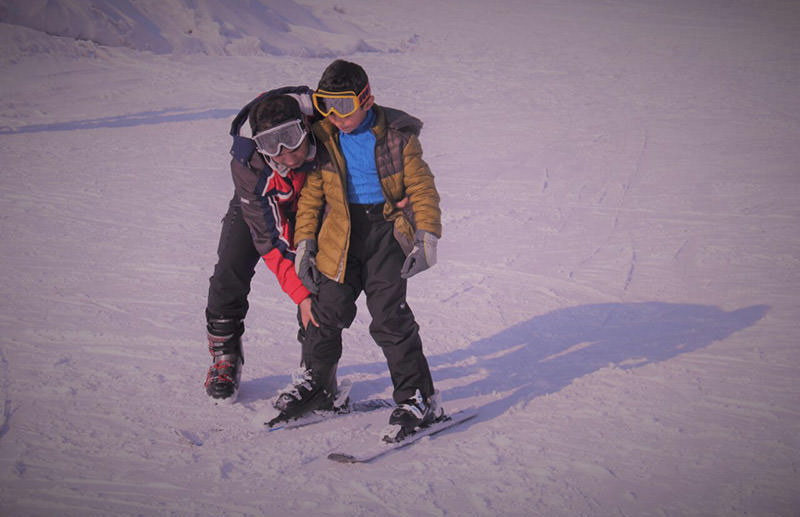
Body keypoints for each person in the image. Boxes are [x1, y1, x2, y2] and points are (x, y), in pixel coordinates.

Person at [289, 59, 443, 440]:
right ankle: (318, 387)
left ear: (366, 98)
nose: (336, 116)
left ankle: (417, 398)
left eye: (344, 106)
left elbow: (422, 188)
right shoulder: (324, 138)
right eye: (327, 106)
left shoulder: (398, 135)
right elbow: (311, 195)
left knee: (390, 318)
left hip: (385, 234)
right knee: (325, 312)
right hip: (338, 236)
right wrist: (305, 242)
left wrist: (427, 236)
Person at [204, 86, 324, 404]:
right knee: (230, 267)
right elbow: (269, 241)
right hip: (262, 204)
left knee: (318, 278)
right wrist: (299, 294)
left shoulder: (327, 125)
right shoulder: (249, 164)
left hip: (319, 204)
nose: (286, 153)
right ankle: (225, 357)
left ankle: (318, 368)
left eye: (292, 138)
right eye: (272, 144)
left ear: (306, 126)